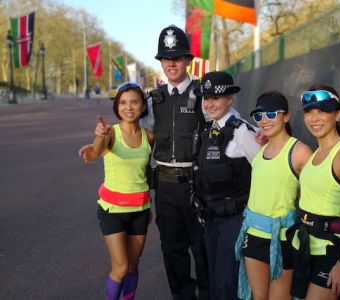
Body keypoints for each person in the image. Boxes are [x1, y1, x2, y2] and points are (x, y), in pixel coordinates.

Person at [80, 25, 210, 299]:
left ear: (188, 60)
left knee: (203, 249)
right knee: (173, 251)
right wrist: (99, 142)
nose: (171, 63)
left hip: (197, 185)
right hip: (164, 186)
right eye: (166, 58)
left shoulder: (203, 96)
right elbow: (128, 126)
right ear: (161, 63)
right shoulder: (152, 101)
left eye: (177, 58)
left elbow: (227, 120)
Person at [288, 84, 340, 300]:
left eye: (322, 110)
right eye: (309, 111)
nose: (315, 118)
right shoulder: (315, 154)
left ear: (338, 114)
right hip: (304, 248)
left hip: (330, 254)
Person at [234, 91, 313, 300]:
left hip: (281, 239)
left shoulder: (300, 152)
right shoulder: (262, 149)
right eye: (259, 116)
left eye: (271, 114)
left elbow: (317, 188)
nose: (264, 120)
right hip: (253, 234)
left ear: (286, 116)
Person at [193, 71, 260, 300]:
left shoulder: (242, 131)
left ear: (229, 99)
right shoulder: (210, 127)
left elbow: (264, 169)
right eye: (206, 98)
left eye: (216, 98)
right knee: (214, 279)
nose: (210, 103)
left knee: (227, 282)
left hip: (235, 219)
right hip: (212, 217)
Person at [88, 82, 154, 300]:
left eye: (134, 102)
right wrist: (99, 135)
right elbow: (96, 151)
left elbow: (143, 172)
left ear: (143, 106)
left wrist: (148, 206)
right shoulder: (111, 133)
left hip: (140, 210)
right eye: (123, 102)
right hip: (113, 211)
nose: (128, 107)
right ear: (117, 107)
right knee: (121, 267)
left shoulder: (149, 137)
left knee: (134, 265)